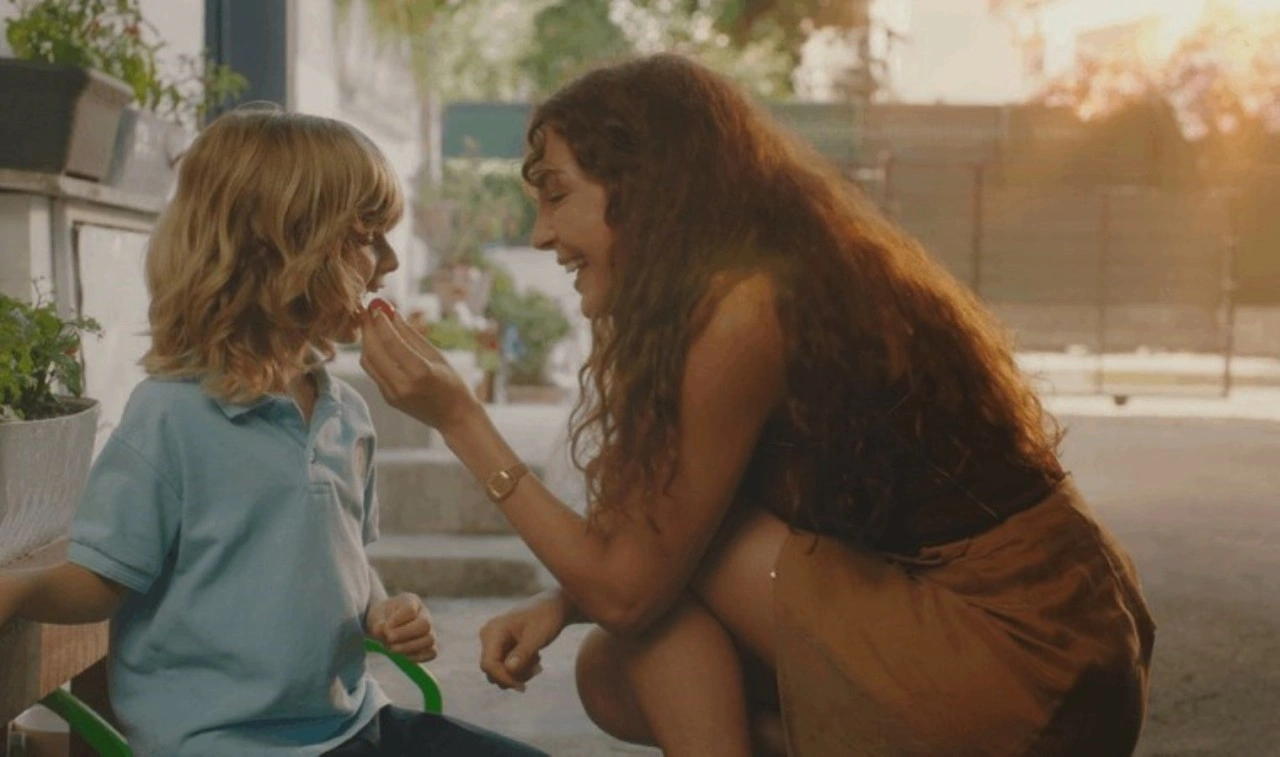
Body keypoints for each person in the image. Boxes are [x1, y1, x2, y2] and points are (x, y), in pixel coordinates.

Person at [358, 53, 1156, 757]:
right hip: (1042, 646)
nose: (541, 234)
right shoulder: (755, 283)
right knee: (614, 671)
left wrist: (461, 420)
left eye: (558, 195)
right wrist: (565, 604)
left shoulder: (746, 308)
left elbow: (631, 584)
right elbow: (649, 555)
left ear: (648, 189)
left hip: (1026, 662)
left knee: (646, 600)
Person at [0, 107, 545, 757]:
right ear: (276, 251)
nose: (391, 262)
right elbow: (102, 580)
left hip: (352, 724)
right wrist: (21, 587)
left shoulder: (346, 414)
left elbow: (344, 562)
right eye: (368, 237)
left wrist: (381, 608)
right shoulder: (171, 417)